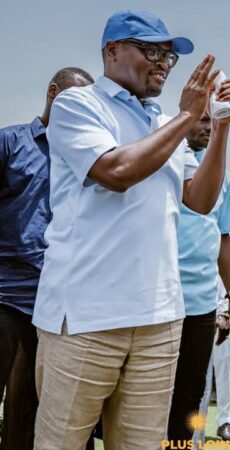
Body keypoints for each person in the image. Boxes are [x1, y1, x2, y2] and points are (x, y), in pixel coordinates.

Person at [32, 10, 230, 449]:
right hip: (86, 317)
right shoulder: (80, 104)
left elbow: (201, 201)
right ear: (112, 51)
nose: (164, 62)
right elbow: (117, 171)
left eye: (169, 55)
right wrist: (188, 117)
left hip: (159, 319)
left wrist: (219, 125)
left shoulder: (165, 124)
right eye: (151, 50)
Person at [0, 67, 93, 450]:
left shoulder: (87, 157)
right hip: (5, 293)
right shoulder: (10, 142)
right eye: (74, 100)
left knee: (31, 408)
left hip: (58, 303)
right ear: (53, 93)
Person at [168, 111, 230, 441]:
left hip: (200, 304)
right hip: (161, 298)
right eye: (201, 120)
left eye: (214, 122)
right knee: (153, 392)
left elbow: (225, 235)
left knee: (191, 394)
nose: (208, 128)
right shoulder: (164, 161)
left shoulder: (221, 174)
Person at [196, 232, 230, 443]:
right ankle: (197, 425)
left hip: (224, 313)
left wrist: (225, 311)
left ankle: (224, 422)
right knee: (196, 373)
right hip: (196, 311)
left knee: (224, 368)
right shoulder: (195, 228)